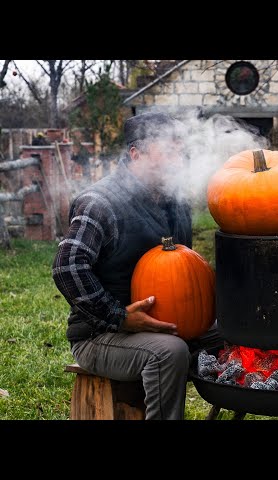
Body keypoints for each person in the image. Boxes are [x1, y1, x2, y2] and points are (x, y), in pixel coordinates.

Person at [52, 112, 223, 420]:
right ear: (136, 154)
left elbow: (181, 271)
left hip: (169, 324)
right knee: (170, 352)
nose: (179, 158)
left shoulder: (176, 202)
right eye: (168, 150)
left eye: (179, 149)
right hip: (101, 335)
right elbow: (67, 268)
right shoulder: (101, 203)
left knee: (232, 334)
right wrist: (119, 318)